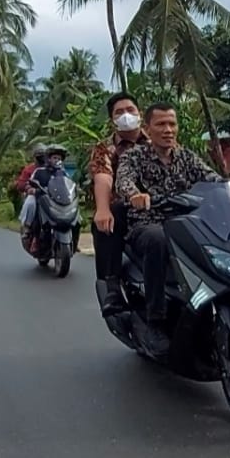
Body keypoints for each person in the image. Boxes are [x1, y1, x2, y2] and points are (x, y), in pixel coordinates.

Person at [115, 102, 230, 354]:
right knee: (157, 239)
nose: (168, 130)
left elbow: (212, 178)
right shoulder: (134, 156)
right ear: (148, 128)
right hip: (148, 223)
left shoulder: (186, 157)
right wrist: (135, 194)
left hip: (187, 224)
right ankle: (155, 321)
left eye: (172, 124)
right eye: (161, 124)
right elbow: (123, 180)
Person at [89, 92, 149, 317]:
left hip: (161, 205)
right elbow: (103, 177)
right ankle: (111, 287)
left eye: (130, 110)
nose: (126, 115)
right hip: (125, 209)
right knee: (107, 220)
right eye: (119, 112)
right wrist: (103, 209)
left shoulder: (157, 141)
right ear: (112, 119)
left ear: (139, 113)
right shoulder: (105, 148)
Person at [23, 144, 71, 254]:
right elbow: (29, 183)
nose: (57, 160)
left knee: (77, 218)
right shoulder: (39, 171)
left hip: (59, 202)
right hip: (42, 199)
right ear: (49, 159)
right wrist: (31, 189)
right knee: (33, 207)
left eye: (59, 158)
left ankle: (72, 238)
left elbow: (70, 185)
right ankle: (33, 235)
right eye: (54, 158)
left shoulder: (63, 173)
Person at [16, 144, 47, 240]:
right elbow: (21, 183)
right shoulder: (29, 169)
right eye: (39, 156)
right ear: (34, 157)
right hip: (35, 195)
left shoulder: (51, 168)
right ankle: (27, 226)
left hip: (49, 195)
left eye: (44, 156)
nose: (42, 159)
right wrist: (28, 188)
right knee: (31, 203)